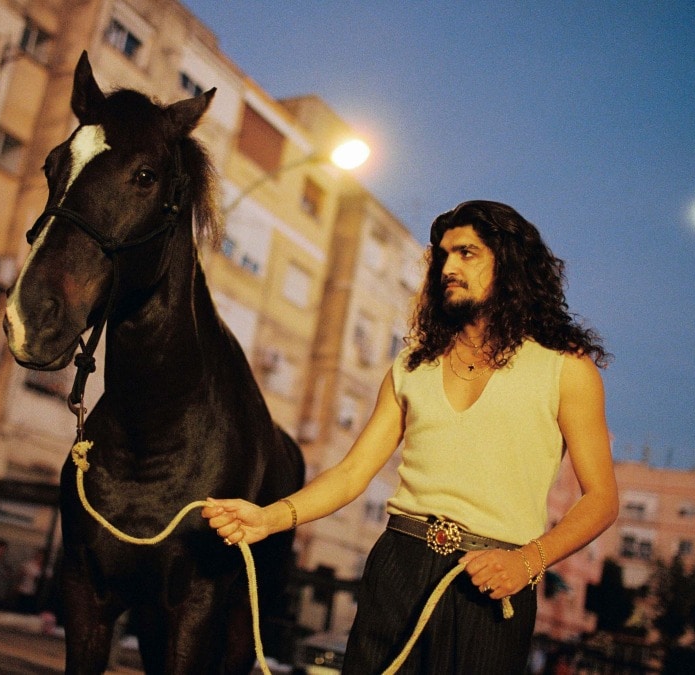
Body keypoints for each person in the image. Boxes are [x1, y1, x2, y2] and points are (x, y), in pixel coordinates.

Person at [203, 200, 618, 673]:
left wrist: (527, 562)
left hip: (494, 579)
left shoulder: (566, 369)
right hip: (399, 564)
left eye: (467, 253)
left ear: (510, 263)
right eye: (442, 255)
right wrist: (268, 519)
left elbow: (601, 499)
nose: (448, 267)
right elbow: (352, 472)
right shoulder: (411, 365)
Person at [15, 548, 46, 614]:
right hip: (25, 590)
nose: (41, 558)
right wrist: (17, 585)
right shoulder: (28, 564)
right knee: (21, 609)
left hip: (36, 593)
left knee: (30, 610)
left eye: (42, 556)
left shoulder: (44, 567)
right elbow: (20, 575)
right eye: (40, 556)